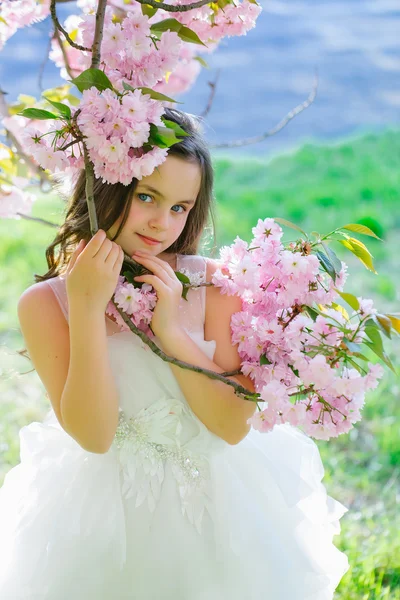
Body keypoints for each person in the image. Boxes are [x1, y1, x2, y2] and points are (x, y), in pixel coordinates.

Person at [0, 108, 349, 599]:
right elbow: (94, 435)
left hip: (218, 498)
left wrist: (170, 330)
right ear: (108, 185)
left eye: (180, 208)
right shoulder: (46, 305)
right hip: (107, 510)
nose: (163, 223)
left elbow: (229, 426)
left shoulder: (213, 284)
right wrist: (85, 307)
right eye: (146, 197)